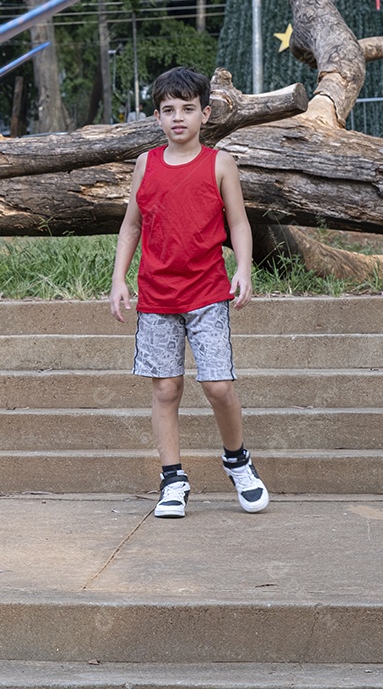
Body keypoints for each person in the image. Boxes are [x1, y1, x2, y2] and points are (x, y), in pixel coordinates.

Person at [109, 66, 269, 518]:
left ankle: (238, 461)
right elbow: (131, 226)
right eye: (168, 110)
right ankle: (172, 478)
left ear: (205, 112)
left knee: (218, 385)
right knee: (166, 388)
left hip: (207, 293)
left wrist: (243, 269)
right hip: (157, 296)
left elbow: (238, 222)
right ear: (157, 116)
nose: (178, 118)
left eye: (187, 109)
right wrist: (119, 278)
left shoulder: (220, 164)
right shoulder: (147, 164)